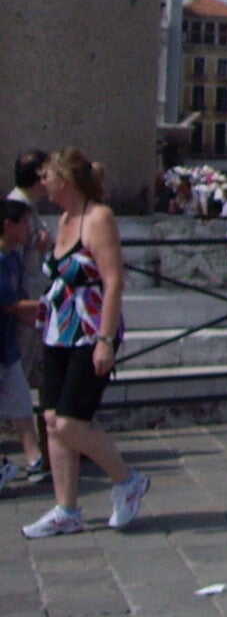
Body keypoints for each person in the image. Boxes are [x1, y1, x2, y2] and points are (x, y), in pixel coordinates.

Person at [21, 149, 148, 538]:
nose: (43, 183)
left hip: (90, 330)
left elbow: (113, 280)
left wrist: (105, 340)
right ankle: (66, 508)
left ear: (65, 181)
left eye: (47, 176)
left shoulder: (99, 218)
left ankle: (127, 480)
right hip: (58, 329)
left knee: (69, 422)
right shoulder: (63, 220)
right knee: (51, 420)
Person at [0, 200, 48, 485]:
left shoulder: (14, 259)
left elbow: (19, 306)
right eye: (24, 224)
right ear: (8, 225)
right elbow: (10, 304)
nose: (28, 229)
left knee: (20, 402)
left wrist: (43, 324)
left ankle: (34, 459)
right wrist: (51, 308)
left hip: (7, 347)